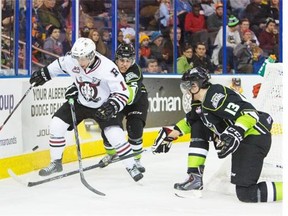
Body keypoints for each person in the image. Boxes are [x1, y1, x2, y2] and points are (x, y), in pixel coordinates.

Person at [151, 66, 282, 202]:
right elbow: (191, 121)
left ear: (196, 85)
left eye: (188, 85)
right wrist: (169, 136)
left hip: (254, 137)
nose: (186, 90)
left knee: (246, 193)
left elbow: (250, 114)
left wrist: (236, 131)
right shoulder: (200, 103)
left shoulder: (216, 97)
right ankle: (194, 176)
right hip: (242, 140)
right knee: (198, 124)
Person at [29, 37, 143, 182]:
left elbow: (123, 93)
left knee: (114, 134)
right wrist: (44, 74)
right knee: (56, 125)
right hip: (81, 102)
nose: (80, 62)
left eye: (83, 58)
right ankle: (56, 162)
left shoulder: (108, 68)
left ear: (91, 55)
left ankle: (131, 166)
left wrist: (113, 105)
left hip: (103, 104)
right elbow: (59, 64)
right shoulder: (72, 59)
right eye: (77, 58)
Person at [97, 43, 149, 173]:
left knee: (135, 127)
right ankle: (111, 153)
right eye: (121, 60)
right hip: (116, 98)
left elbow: (130, 96)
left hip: (135, 99)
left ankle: (136, 159)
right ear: (116, 59)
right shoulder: (108, 68)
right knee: (108, 126)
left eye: (128, 61)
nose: (124, 64)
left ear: (132, 61)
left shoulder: (135, 71)